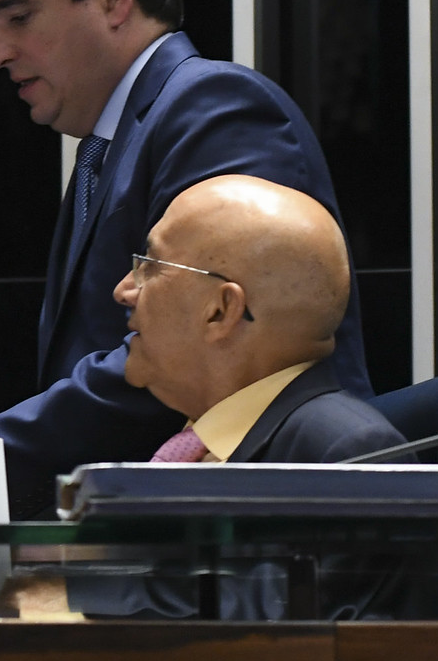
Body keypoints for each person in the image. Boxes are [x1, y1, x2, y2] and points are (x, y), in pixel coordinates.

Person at [0, 0, 370, 511]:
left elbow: (195, 348)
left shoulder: (214, 107)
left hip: (263, 528)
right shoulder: (113, 140)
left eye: (18, 16)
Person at [118, 175, 403, 463]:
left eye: (151, 267)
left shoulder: (341, 453)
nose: (124, 291)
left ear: (221, 310)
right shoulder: (197, 442)